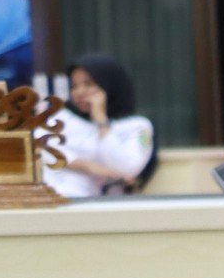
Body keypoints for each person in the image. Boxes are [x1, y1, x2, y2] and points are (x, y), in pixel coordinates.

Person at [44, 53, 155, 198]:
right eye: (74, 86)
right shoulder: (62, 118)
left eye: (88, 84)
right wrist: (91, 168)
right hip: (54, 198)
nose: (79, 92)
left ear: (110, 85)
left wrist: (101, 120)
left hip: (102, 205)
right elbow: (42, 149)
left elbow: (127, 168)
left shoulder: (136, 126)